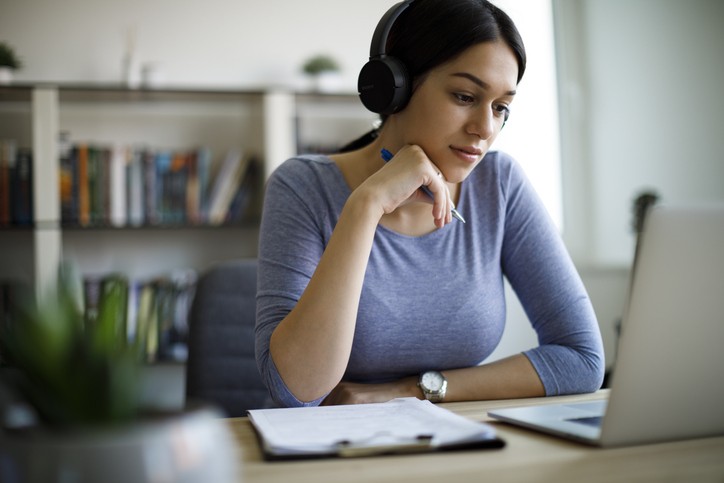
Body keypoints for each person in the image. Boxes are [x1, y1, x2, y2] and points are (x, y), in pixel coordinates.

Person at [255, 0, 605, 408]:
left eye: (500, 107)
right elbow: (295, 390)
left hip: (457, 443)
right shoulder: (303, 186)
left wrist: (412, 390)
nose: (484, 128)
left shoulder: (500, 185)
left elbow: (581, 359)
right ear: (394, 88)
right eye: (464, 95)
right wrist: (365, 206)